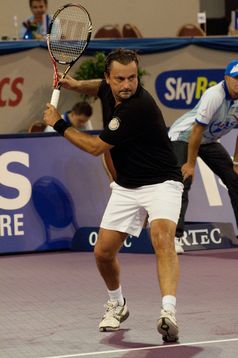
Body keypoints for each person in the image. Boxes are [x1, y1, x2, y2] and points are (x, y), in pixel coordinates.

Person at [44, 49, 183, 342]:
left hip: (162, 182)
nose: (126, 85)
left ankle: (168, 312)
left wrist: (59, 123)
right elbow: (99, 87)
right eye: (119, 78)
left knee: (162, 238)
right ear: (109, 77)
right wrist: (77, 85)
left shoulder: (138, 107)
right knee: (103, 252)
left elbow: (95, 148)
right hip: (126, 185)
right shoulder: (109, 87)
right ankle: (118, 304)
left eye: (132, 78)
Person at [168, 59, 238, 253]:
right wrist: (190, 164)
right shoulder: (214, 95)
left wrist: (237, 162)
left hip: (207, 141)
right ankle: (174, 237)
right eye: (236, 78)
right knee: (184, 181)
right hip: (184, 135)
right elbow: (196, 130)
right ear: (226, 78)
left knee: (235, 180)